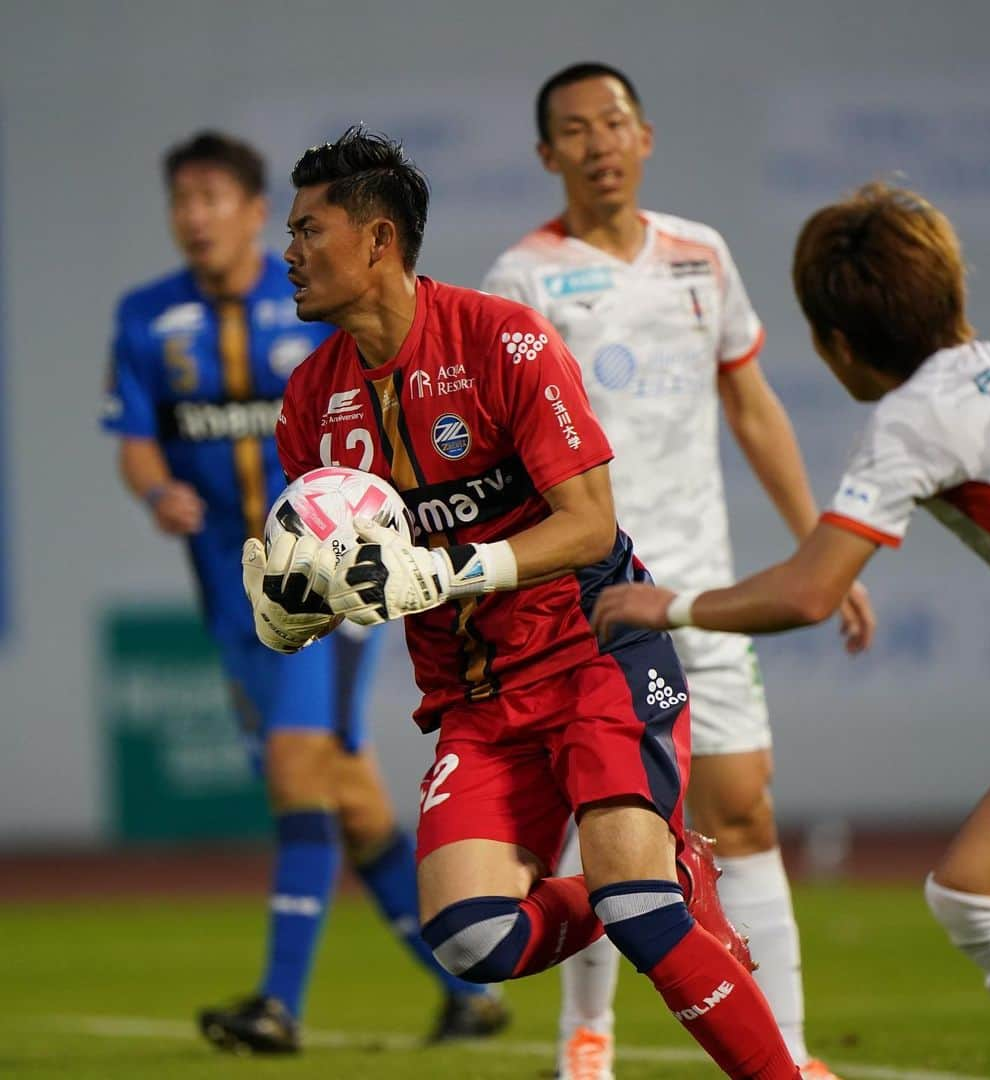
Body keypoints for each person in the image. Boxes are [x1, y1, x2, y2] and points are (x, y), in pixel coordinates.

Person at [243, 122, 808, 1079]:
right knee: (470, 943)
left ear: (378, 241)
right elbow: (360, 573)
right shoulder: (310, 401)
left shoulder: (501, 337)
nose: (287, 254)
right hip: (476, 702)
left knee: (635, 913)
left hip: (595, 655)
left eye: (307, 230)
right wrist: (303, 608)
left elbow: (588, 525)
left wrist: (456, 570)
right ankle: (668, 873)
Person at [592, 181, 990, 1070]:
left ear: (837, 344)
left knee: (984, 895)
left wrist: (673, 604)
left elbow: (811, 592)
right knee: (981, 889)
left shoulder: (913, 418)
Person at [480, 62, 872, 1080]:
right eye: (575, 129)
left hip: (701, 585)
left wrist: (819, 541)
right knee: (607, 821)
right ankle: (586, 1036)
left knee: (741, 808)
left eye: (614, 122)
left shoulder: (703, 256)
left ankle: (785, 1046)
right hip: (589, 593)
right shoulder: (519, 282)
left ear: (645, 136)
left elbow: (749, 404)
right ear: (547, 155)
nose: (598, 142)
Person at [102, 130, 508, 1054]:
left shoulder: (316, 312)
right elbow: (134, 436)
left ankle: (277, 1006)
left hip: (327, 593)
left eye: (214, 198)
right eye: (181, 200)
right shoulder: (145, 318)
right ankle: (466, 993)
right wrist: (155, 486)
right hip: (233, 593)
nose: (194, 217)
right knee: (354, 802)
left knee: (296, 772)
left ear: (254, 213)